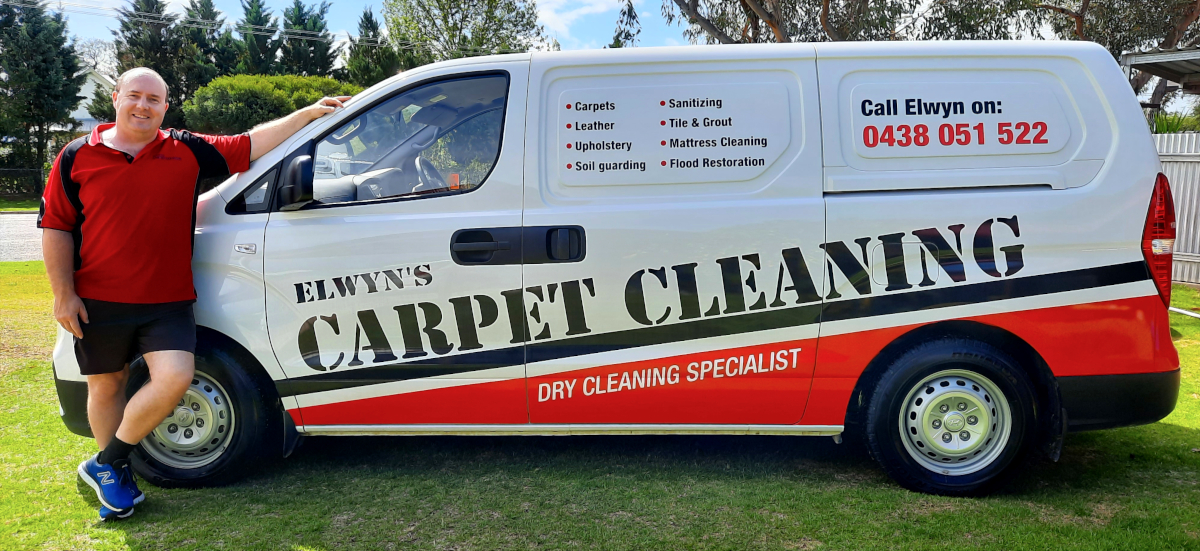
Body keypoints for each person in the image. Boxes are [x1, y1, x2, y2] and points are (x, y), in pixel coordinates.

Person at [37, 67, 348, 520]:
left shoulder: (184, 149)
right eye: (135, 96)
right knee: (107, 386)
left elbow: (248, 145)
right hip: (97, 299)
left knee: (175, 376)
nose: (143, 106)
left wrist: (309, 113)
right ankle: (115, 473)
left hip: (167, 300)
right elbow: (56, 227)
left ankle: (104, 463)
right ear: (117, 99)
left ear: (165, 107)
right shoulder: (75, 157)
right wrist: (63, 294)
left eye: (154, 100)